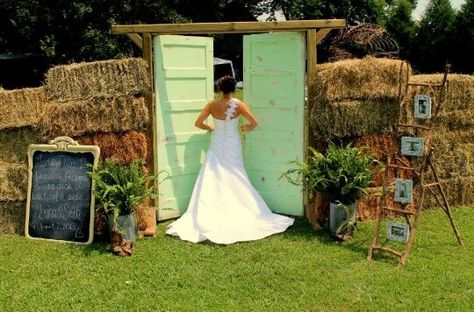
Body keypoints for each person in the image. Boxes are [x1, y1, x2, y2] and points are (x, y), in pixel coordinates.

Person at [166, 76, 294, 244]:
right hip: (233, 143)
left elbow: (198, 123)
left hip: (217, 142)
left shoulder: (211, 105)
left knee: (213, 174)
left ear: (219, 89)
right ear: (233, 89)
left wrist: (210, 127)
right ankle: (240, 207)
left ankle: (214, 209)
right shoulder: (238, 105)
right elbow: (254, 122)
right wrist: (246, 128)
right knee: (235, 174)